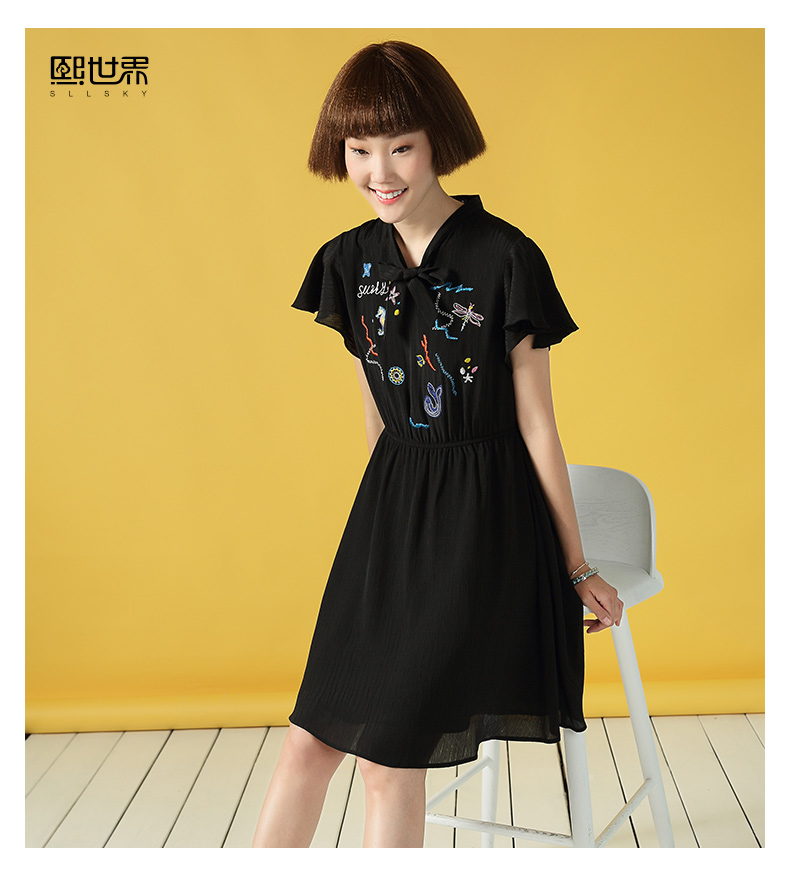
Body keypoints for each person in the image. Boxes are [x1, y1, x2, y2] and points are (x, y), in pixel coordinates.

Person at [252, 40, 623, 849]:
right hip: (393, 514)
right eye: (359, 150)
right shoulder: (348, 263)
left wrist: (576, 565)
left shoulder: (506, 257)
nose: (379, 171)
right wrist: (383, 542)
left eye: (401, 147)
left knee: (387, 760)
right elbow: (378, 411)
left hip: (487, 521)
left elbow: (537, 423)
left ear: (438, 143)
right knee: (308, 743)